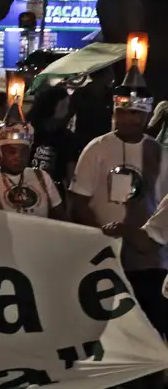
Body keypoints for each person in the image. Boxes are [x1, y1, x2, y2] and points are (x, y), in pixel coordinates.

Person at [71, 48, 165, 336]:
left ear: (146, 113)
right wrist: (101, 236)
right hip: (106, 258)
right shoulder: (97, 148)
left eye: (135, 114)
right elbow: (78, 201)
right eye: (123, 113)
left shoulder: (160, 153)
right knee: (106, 330)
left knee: (149, 332)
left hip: (150, 261)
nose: (128, 119)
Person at [0, 99, 63, 218]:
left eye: (24, 151)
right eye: (12, 151)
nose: (19, 156)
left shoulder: (42, 177)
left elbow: (61, 220)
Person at [27, 85, 80, 191]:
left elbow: (70, 170)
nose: (67, 110)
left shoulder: (66, 137)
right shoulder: (28, 131)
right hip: (28, 186)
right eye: (64, 105)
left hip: (53, 190)